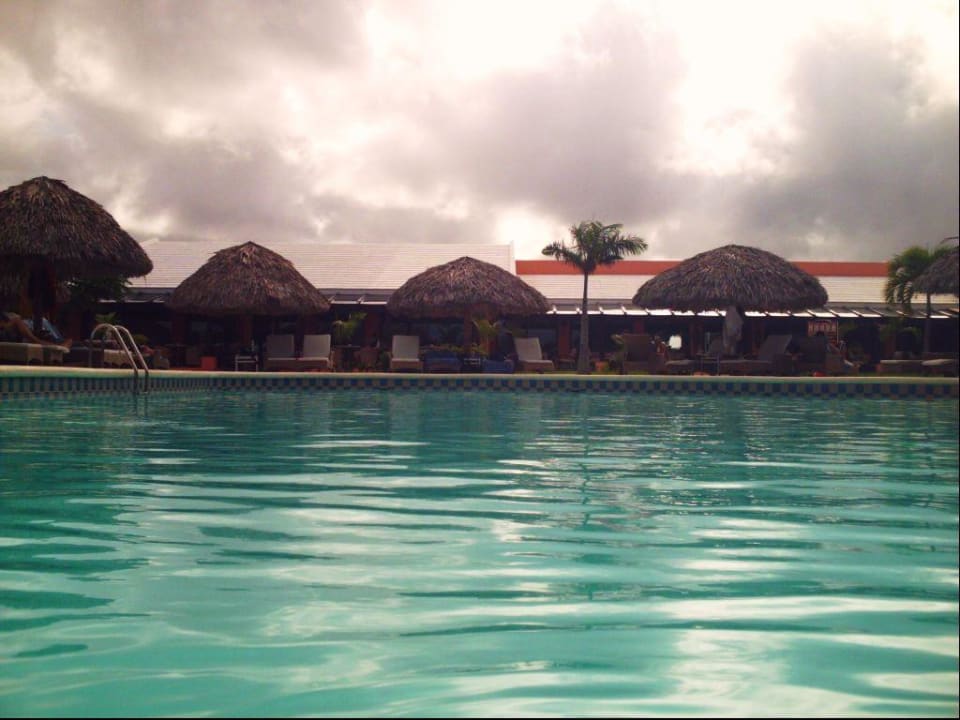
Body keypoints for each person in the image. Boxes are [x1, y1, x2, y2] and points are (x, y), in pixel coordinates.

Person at [1, 311, 72, 348]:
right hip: (21, 332)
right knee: (18, 320)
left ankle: (60, 343)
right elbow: (9, 322)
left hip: (26, 328)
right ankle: (58, 345)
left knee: (42, 322)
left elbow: (8, 320)